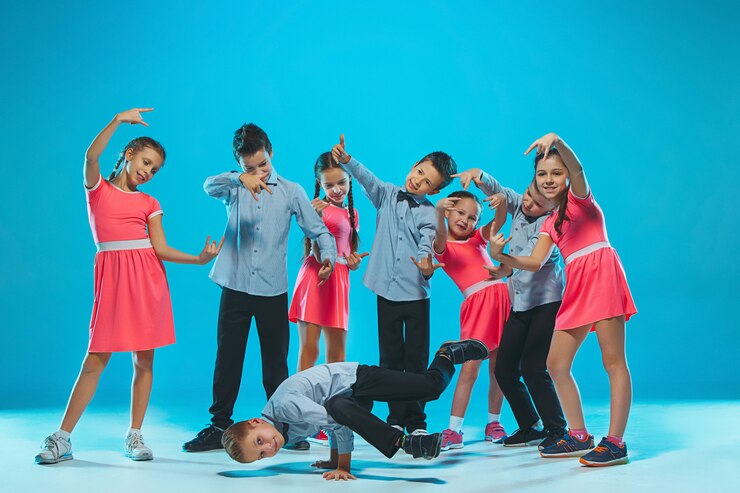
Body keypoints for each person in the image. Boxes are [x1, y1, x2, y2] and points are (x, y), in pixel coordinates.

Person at [35, 108, 222, 464]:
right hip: (113, 280)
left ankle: (134, 434)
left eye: (155, 170)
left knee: (144, 360)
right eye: (146, 162)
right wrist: (118, 120)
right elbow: (91, 157)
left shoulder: (150, 202)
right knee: (94, 361)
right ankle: (62, 438)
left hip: (147, 281)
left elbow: (160, 248)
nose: (148, 172)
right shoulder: (98, 190)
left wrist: (199, 259)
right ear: (129, 154)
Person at [183, 124, 337, 453]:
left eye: (263, 164)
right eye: (249, 167)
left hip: (272, 290)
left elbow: (319, 230)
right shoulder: (234, 187)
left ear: (271, 153)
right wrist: (240, 178)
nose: (259, 172)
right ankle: (219, 424)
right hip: (235, 285)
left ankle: (284, 426)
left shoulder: (291, 191)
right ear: (239, 165)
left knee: (275, 363)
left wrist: (329, 258)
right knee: (228, 357)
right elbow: (208, 185)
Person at [489, 133, 637, 466]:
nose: (549, 179)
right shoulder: (549, 224)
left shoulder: (581, 199)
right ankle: (579, 436)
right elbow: (534, 261)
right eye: (542, 174)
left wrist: (557, 140)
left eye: (556, 172)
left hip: (601, 273)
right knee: (556, 363)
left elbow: (579, 168)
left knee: (613, 361)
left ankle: (616, 443)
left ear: (567, 175)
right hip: (577, 284)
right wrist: (502, 257)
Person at [221, 339, 490, 480]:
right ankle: (405, 442)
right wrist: (333, 460)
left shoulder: (285, 407)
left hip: (355, 379)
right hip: (346, 401)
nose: (269, 448)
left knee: (431, 388)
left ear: (256, 422)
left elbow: (334, 422)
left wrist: (343, 466)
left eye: (259, 442)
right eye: (261, 455)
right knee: (336, 406)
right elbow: (329, 421)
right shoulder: (282, 434)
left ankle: (446, 354)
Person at [331, 134, 457, 436]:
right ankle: (395, 418)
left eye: (426, 182)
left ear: (434, 190)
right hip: (385, 292)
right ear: (414, 166)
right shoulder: (387, 194)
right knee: (389, 360)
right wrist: (347, 161)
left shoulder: (430, 213)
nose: (417, 181)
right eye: (419, 172)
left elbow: (428, 244)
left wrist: (426, 265)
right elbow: (367, 179)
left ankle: (416, 421)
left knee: (415, 361)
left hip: (415, 295)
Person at [455, 167, 567, 451]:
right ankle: (530, 425)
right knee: (504, 369)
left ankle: (557, 428)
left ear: (551, 208)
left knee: (533, 367)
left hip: (545, 304)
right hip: (519, 303)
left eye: (537, 203)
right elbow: (501, 192)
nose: (528, 203)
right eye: (528, 194)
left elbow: (533, 262)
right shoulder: (521, 204)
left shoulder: (550, 225)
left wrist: (500, 258)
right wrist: (480, 176)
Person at [430, 190, 510, 449]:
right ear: (448, 212)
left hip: (504, 300)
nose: (465, 220)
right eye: (460, 213)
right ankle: (453, 430)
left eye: (472, 217)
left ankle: (494, 423)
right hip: (478, 306)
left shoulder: (477, 238)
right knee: (469, 368)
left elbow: (499, 221)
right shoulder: (443, 246)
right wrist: (438, 212)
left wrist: (501, 203)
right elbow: (439, 236)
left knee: (499, 368)